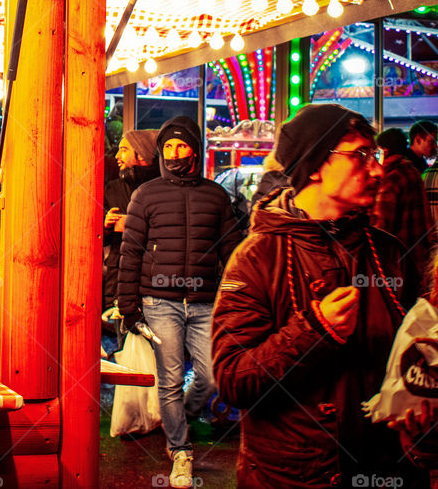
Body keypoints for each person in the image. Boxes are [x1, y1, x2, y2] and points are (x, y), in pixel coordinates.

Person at [212, 103, 420, 488]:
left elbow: (415, 354)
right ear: (314, 166)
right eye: (361, 155)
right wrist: (314, 329)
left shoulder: (389, 252)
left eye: (375, 155)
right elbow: (233, 380)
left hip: (386, 468)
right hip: (292, 476)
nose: (377, 169)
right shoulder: (257, 258)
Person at [117, 116, 242, 489]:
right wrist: (128, 306)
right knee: (170, 379)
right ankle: (181, 450)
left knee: (210, 374)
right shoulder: (146, 194)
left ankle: (179, 420)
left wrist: (237, 296)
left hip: (204, 301)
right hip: (159, 301)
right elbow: (131, 252)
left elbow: (233, 250)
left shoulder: (216, 195)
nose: (173, 153)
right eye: (167, 146)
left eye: (181, 146)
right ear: (160, 152)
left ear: (194, 150)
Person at [373, 127, 436, 305]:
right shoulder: (415, 173)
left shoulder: (391, 178)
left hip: (396, 265)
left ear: (384, 151)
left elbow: (379, 228)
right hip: (419, 261)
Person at [102, 129, 159, 314]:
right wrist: (106, 226)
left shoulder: (162, 188)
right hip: (118, 278)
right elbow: (100, 241)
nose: (117, 155)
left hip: (156, 280)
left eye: (124, 150)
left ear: (142, 154)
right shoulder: (112, 188)